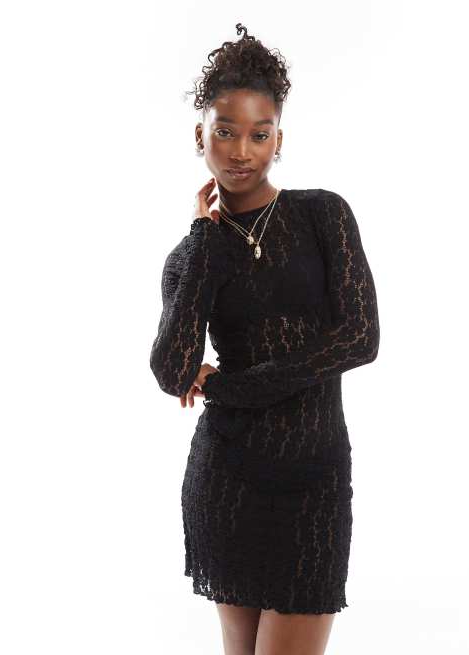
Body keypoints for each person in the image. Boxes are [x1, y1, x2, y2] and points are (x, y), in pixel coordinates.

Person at [149, 23, 380, 655]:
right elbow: (172, 370)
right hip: (228, 478)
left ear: (280, 138)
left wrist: (233, 387)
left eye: (259, 133)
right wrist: (203, 239)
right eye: (225, 131)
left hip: (314, 481)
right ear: (200, 135)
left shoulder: (322, 214)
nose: (241, 150)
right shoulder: (191, 256)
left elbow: (360, 338)